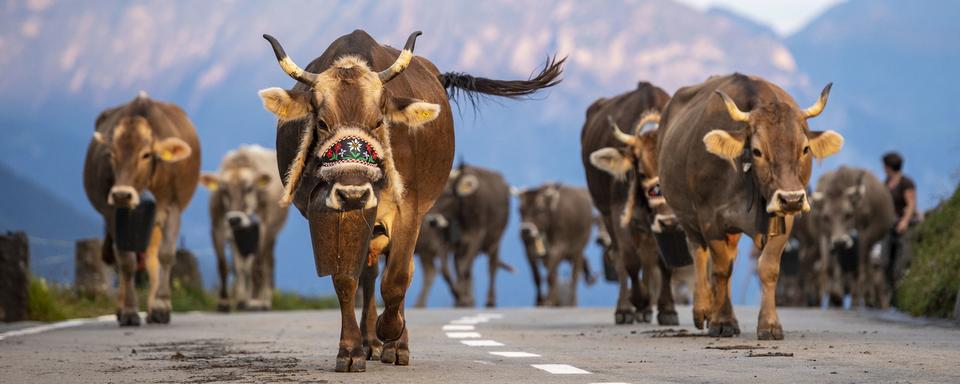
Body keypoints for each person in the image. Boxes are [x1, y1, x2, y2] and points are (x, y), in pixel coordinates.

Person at [882, 152, 918, 302]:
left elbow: (911, 204)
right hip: (889, 227)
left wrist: (904, 221)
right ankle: (889, 298)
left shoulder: (906, 183)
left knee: (901, 263)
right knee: (885, 262)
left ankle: (900, 299)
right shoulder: (886, 183)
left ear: (888, 166)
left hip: (903, 227)